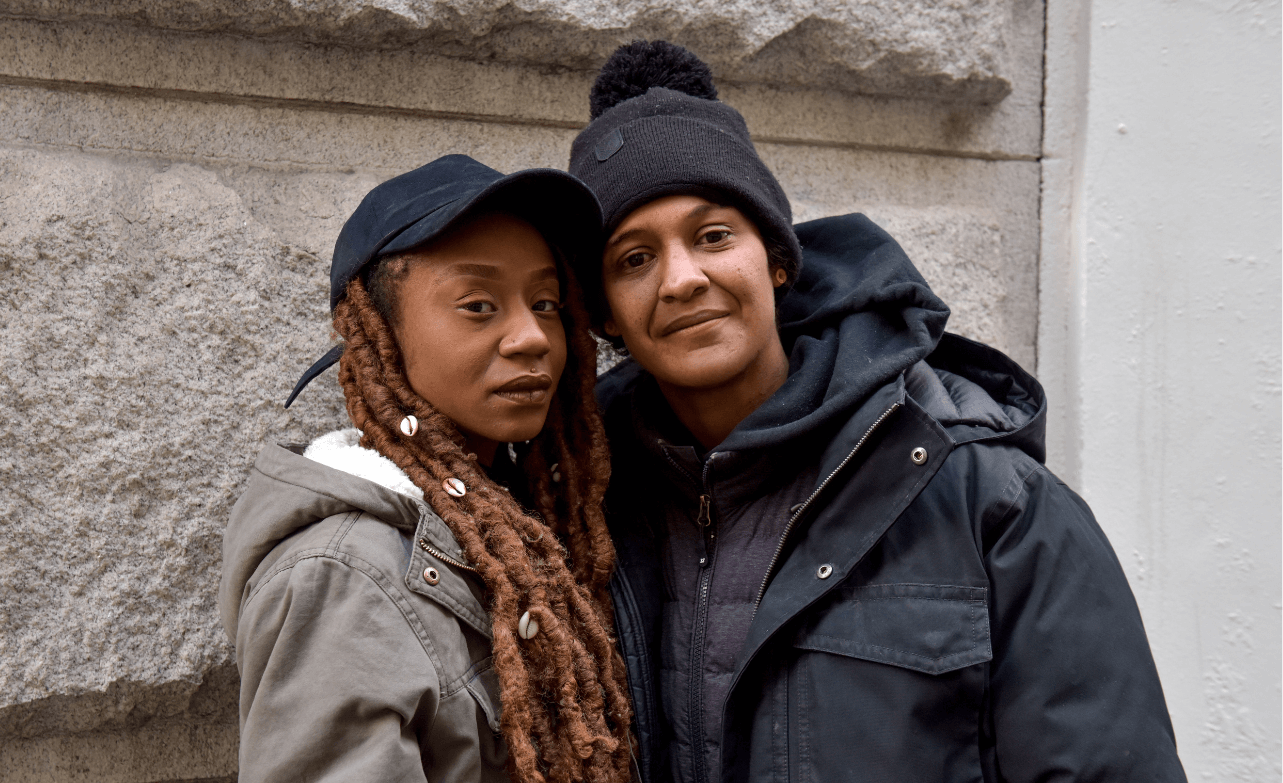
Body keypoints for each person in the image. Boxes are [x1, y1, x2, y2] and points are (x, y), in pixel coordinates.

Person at [566, 41, 1189, 783]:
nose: (680, 279)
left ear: (776, 258)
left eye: (712, 236)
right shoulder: (579, 510)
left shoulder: (987, 500)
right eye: (633, 258)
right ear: (603, 314)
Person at [217, 155, 633, 783]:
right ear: (379, 335)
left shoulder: (513, 528)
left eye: (546, 302)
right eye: (477, 305)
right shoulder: (343, 576)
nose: (532, 337)